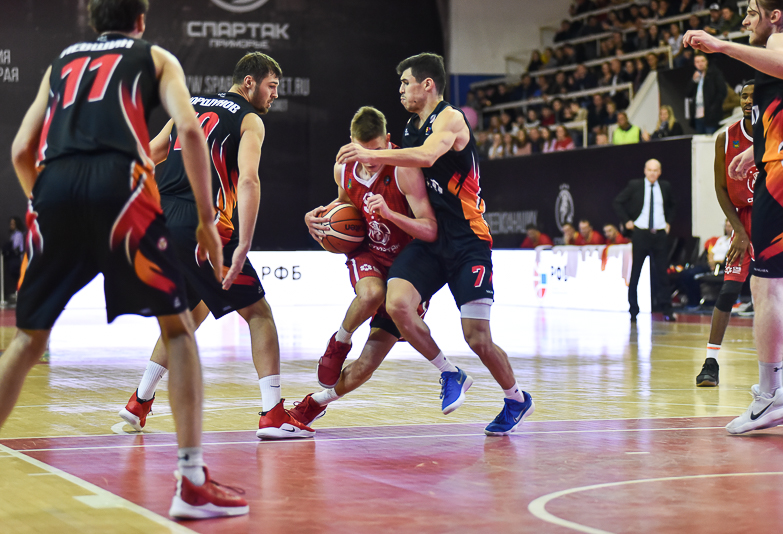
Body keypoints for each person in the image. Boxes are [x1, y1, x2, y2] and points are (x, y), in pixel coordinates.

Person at [6, 0, 246, 519]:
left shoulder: (61, 62)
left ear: (93, 21)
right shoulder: (155, 57)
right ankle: (190, 481)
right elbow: (189, 132)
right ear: (140, 21)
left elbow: (22, 149)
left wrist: (46, 204)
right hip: (122, 190)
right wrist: (207, 220)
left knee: (26, 340)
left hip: (54, 187)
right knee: (179, 331)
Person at [116, 52, 314, 441]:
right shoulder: (250, 119)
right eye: (272, 86)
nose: (275, 95)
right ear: (249, 83)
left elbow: (151, 152)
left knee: (191, 313)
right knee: (259, 314)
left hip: (163, 222)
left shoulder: (189, 105)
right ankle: (273, 415)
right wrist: (244, 242)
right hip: (203, 226)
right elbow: (250, 180)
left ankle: (139, 402)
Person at [336, 53, 534, 436]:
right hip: (430, 239)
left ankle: (515, 398)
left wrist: (371, 153)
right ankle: (449, 372)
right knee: (396, 303)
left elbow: (427, 156)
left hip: (467, 240)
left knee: (477, 337)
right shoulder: (410, 127)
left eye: (405, 82)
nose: (400, 90)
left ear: (427, 84)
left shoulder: (450, 119)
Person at [685, 2, 783, 434]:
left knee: (764, 286)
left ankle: (771, 394)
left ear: (775, 16)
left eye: (752, 12)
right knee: (779, 286)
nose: (746, 20)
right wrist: (757, 150)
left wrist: (720, 46)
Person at [288, 106, 438, 425]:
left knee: (366, 366)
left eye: (376, 150)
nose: (369, 159)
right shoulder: (343, 169)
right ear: (351, 142)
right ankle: (339, 341)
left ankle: (315, 403)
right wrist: (319, 218)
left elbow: (429, 228)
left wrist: (391, 215)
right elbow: (346, 205)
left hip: (405, 269)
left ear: (388, 139)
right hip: (368, 252)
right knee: (371, 293)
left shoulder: (404, 168)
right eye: (362, 150)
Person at [695, 82, 760, 388]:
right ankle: (710, 362)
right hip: (743, 220)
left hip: (775, 219)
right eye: (744, 96)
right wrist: (739, 231)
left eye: (754, 96)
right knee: (728, 290)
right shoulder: (726, 137)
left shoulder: (777, 134)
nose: (748, 101)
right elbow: (721, 188)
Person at [613, 159, 676, 322]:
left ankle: (667, 309)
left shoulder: (665, 186)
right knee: (636, 272)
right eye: (650, 170)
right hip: (641, 232)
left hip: (659, 233)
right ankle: (633, 310)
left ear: (659, 172)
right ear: (645, 171)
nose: (652, 173)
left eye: (655, 170)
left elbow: (673, 205)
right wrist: (627, 220)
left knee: (662, 273)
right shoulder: (635, 185)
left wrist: (668, 222)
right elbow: (618, 201)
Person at [686, 53, 728, 134]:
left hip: (711, 116)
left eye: (702, 61)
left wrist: (713, 108)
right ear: (694, 64)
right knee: (700, 140)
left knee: (711, 139)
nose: (700, 64)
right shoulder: (696, 76)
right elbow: (688, 94)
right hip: (698, 116)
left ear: (706, 62)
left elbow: (722, 91)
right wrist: (693, 81)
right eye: (697, 62)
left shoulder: (714, 74)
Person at [2, 216, 24, 303]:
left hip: (17, 259)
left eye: (13, 224)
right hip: (13, 258)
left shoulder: (18, 234)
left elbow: (14, 247)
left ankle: (19, 292)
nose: (11, 226)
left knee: (17, 274)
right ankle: (17, 291)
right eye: (10, 224)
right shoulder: (13, 235)